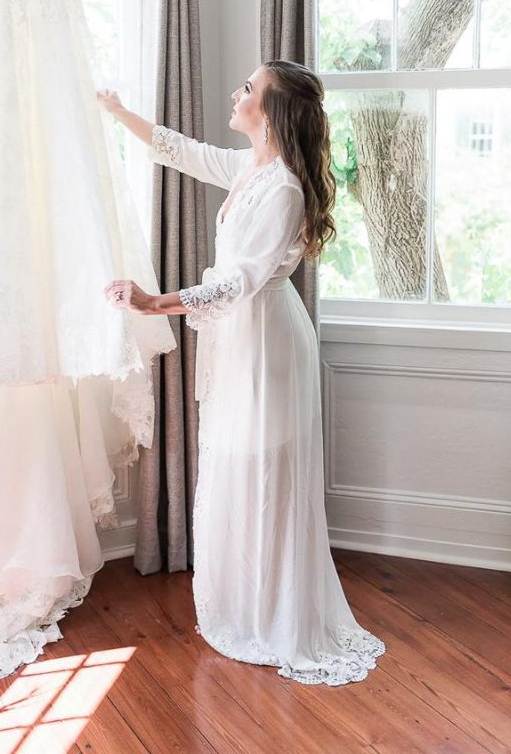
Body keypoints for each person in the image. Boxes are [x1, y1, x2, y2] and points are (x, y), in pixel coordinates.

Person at [96, 59, 386, 686]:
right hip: (241, 341)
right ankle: (248, 606)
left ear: (274, 112)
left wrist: (156, 302)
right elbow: (183, 152)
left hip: (268, 342)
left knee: (266, 472)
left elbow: (239, 282)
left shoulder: (282, 187)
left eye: (249, 89)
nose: (238, 92)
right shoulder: (251, 166)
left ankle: (278, 616)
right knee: (237, 463)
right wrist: (119, 114)